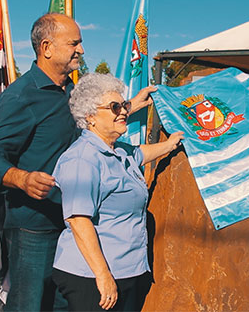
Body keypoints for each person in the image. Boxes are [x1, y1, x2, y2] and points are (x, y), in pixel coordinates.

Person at [0, 13, 154, 311]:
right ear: (46, 47)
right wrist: (21, 178)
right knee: (29, 306)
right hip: (34, 228)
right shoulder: (22, 96)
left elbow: (90, 129)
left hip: (73, 229)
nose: (81, 50)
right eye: (74, 43)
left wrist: (126, 107)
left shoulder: (72, 92)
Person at [51, 73, 183, 311]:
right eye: (115, 107)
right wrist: (103, 276)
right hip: (92, 277)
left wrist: (170, 144)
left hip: (129, 270)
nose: (123, 111)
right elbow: (79, 221)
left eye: (124, 105)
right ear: (90, 117)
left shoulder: (119, 150)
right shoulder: (82, 159)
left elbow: (140, 154)